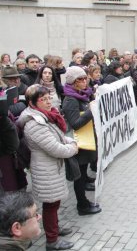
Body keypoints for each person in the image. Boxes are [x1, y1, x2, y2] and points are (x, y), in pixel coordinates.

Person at [17, 85, 78, 250]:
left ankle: (55, 229)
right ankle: (52, 240)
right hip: (45, 169)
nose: (47, 101)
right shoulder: (34, 123)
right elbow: (54, 147)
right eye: (42, 99)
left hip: (51, 167)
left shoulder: (45, 116)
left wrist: (70, 141)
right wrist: (73, 148)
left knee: (54, 203)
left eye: (48, 97)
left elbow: (58, 136)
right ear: (32, 103)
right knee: (50, 205)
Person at [61, 67, 102, 215]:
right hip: (79, 144)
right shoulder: (70, 100)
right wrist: (91, 111)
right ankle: (82, 206)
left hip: (86, 142)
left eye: (85, 78)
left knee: (83, 175)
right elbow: (75, 123)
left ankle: (84, 201)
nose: (84, 82)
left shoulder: (82, 95)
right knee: (79, 178)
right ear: (73, 82)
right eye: (80, 79)